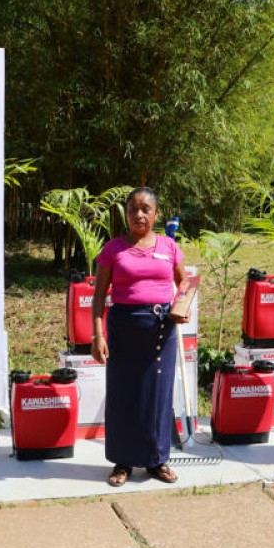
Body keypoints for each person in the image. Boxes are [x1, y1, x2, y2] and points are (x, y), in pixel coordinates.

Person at [91, 187, 189, 487]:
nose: (139, 214)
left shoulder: (169, 247)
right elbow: (98, 297)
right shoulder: (112, 249)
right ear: (126, 213)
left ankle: (157, 460)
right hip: (123, 327)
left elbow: (185, 282)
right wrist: (97, 335)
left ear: (156, 214)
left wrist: (182, 305)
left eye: (146, 209)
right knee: (124, 395)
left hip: (161, 329)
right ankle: (123, 461)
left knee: (157, 396)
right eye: (133, 209)